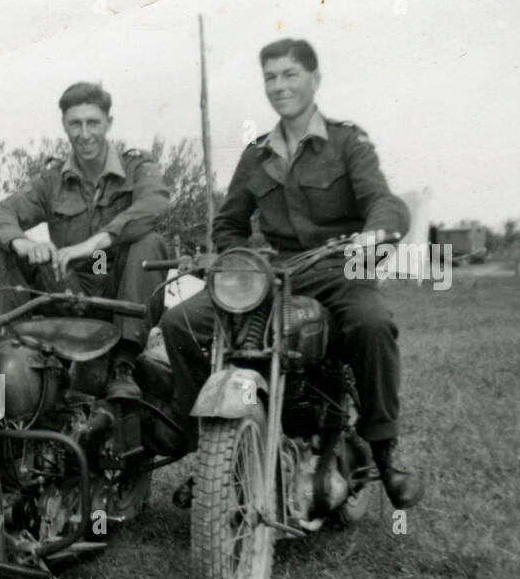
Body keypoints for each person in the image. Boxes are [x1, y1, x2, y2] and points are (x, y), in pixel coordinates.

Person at [160, 38, 423, 507]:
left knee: (373, 325)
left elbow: (383, 200)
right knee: (179, 323)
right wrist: (240, 260)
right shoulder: (256, 154)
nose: (279, 86)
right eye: (270, 77)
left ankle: (384, 451)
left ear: (314, 79)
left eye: (289, 74)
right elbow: (228, 222)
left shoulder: (347, 142)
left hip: (339, 268)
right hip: (273, 272)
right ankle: (212, 457)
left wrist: (376, 232)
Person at [0, 82, 172, 401]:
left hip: (118, 290)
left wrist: (97, 242)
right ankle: (5, 355)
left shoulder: (136, 167)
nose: (84, 133)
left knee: (149, 243)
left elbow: (156, 203)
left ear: (108, 124)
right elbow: (4, 214)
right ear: (64, 125)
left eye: (93, 122)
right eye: (75, 123)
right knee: (3, 247)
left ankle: (123, 366)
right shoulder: (52, 179)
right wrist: (26, 244)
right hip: (70, 288)